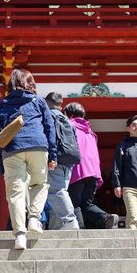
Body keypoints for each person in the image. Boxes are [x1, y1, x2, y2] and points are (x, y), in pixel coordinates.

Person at [0, 68, 56, 250]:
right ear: (31, 83)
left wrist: (0, 165)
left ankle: (20, 235)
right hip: (38, 146)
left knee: (16, 194)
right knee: (39, 184)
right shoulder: (39, 101)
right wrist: (53, 154)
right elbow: (49, 128)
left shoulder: (3, 103)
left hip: (12, 150)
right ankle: (34, 218)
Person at [65, 102, 119, 229]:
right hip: (93, 172)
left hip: (77, 170)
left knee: (74, 203)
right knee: (87, 204)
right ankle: (106, 218)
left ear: (69, 114)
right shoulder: (90, 132)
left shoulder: (69, 126)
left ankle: (79, 229)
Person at [44, 92, 80, 230]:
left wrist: (51, 157)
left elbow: (49, 137)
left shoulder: (49, 116)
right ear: (61, 105)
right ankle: (62, 225)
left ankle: (70, 220)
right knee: (62, 191)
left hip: (55, 159)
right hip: (68, 161)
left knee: (55, 191)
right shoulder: (67, 120)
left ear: (47, 103)